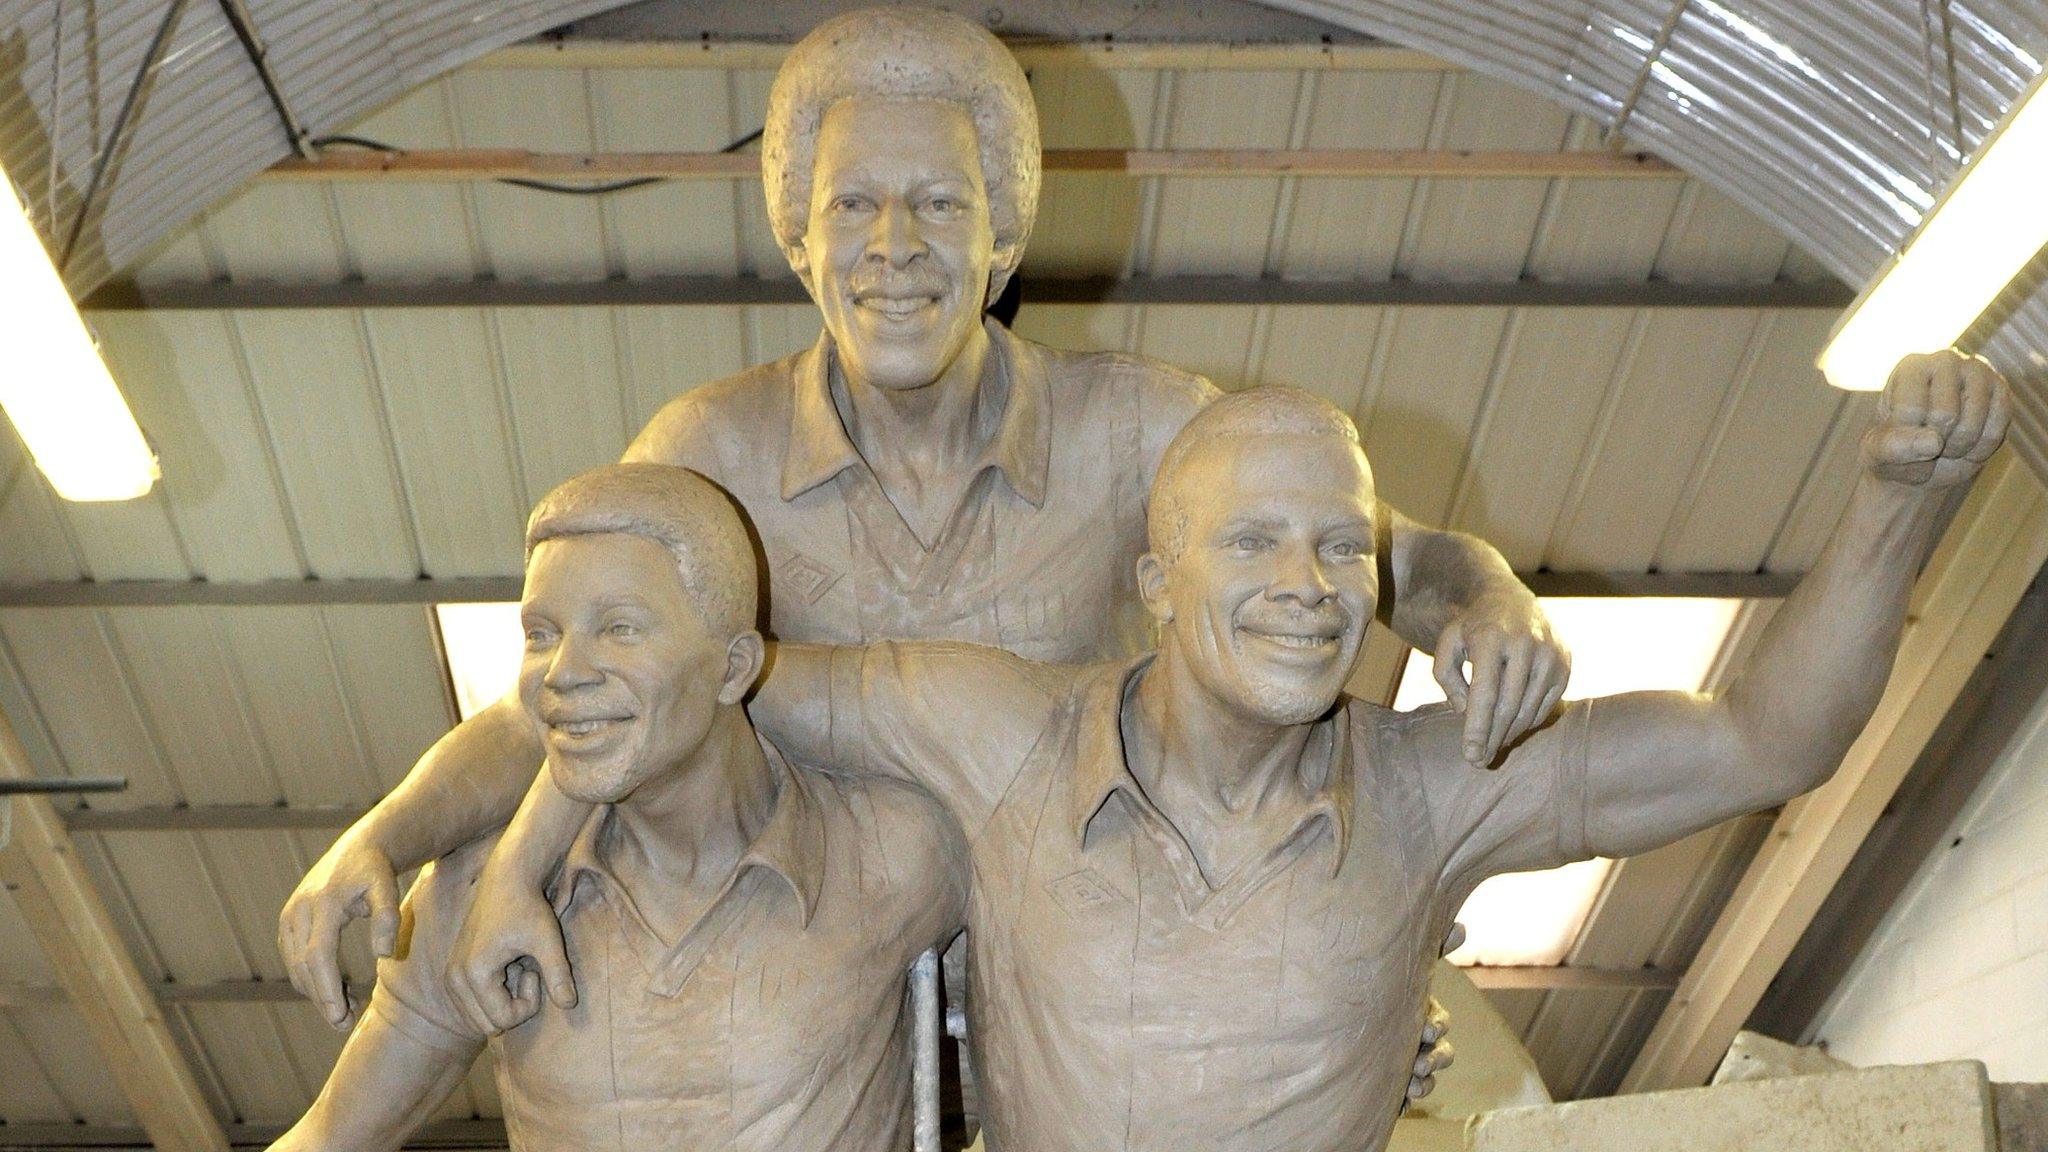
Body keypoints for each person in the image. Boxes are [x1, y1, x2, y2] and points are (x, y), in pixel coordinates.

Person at [279, 5, 1559, 1089]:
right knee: (487, 889)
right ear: (799, 241)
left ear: (1001, 237)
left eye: (940, 204)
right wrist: (381, 836)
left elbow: (1377, 555)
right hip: (811, 986)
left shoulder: (1144, 429)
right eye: (854, 206)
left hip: (1087, 977)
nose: (895, 246)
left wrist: (1481, 600)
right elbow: (572, 705)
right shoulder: (705, 454)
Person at [457, 353, 2009, 1152]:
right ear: (1154, 583)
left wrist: (1894, 505)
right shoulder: (995, 733)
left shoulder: (1425, 792)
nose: (1305, 585)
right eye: (1256, 541)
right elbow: (653, 681)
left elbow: (1764, 738)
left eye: (1344, 549)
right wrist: (479, 861)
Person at [269, 463, 967, 1151]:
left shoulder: (896, 855)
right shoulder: (473, 899)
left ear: (733, 668)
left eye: (621, 629)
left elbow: (1035, 1068)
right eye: (540, 634)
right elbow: (328, 1139)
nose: (564, 670)